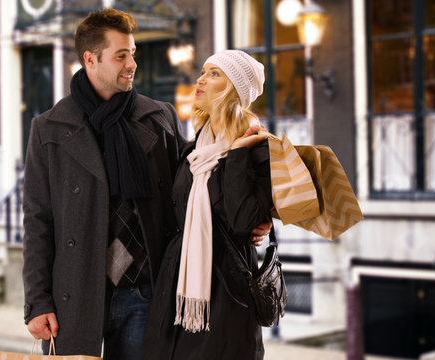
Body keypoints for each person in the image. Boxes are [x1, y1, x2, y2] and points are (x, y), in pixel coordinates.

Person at [22, 9, 187, 360]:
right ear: (90, 59)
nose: (132, 64)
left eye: (133, 54)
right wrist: (37, 301)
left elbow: (194, 187)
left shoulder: (159, 118)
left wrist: (250, 213)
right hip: (76, 296)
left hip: (144, 294)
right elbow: (38, 220)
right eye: (121, 55)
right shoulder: (49, 129)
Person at [143, 49, 273, 360]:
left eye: (214, 74)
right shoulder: (193, 148)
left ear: (234, 89)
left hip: (225, 292)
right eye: (203, 71)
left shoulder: (258, 148)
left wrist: (239, 152)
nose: (200, 80)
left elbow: (243, 222)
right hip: (178, 285)